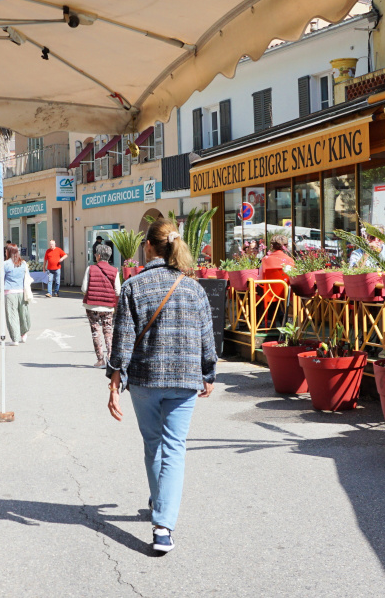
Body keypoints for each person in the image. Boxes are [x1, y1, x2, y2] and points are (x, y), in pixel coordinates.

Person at [107, 218, 217, 555]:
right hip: (184, 379)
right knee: (175, 448)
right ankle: (163, 526)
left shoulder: (133, 286)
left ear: (149, 246)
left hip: (145, 380)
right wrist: (208, 372)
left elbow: (122, 340)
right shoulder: (193, 287)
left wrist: (114, 380)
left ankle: (161, 508)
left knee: (154, 444)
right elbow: (206, 336)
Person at [82, 244, 121, 368]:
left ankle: (100, 360)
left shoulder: (90, 269)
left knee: (96, 331)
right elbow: (118, 291)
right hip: (108, 306)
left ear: (98, 256)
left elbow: (84, 289)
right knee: (108, 331)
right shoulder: (115, 271)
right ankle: (110, 359)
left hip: (92, 305)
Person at [2, 242, 31, 345]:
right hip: (22, 293)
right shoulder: (23, 263)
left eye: (6, 250)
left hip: (10, 293)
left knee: (12, 315)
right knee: (23, 314)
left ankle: (15, 339)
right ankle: (23, 334)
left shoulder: (5, 264)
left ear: (8, 252)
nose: (5, 252)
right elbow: (27, 278)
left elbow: (1, 279)